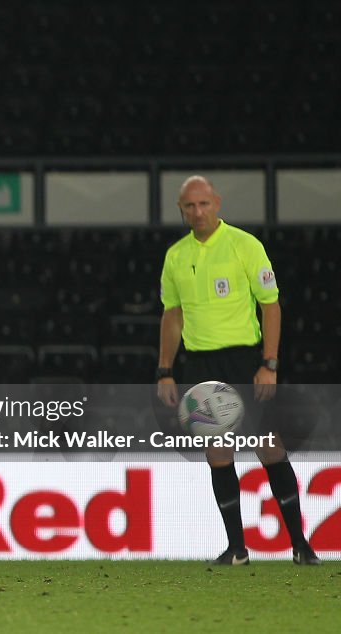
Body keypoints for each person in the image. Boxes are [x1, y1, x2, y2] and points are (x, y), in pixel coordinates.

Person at [156, 175, 319, 566]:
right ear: (181, 209)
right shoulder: (176, 256)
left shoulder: (245, 245)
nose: (197, 212)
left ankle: (300, 544)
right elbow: (172, 316)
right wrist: (165, 369)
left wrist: (269, 363)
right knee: (218, 453)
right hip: (201, 364)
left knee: (268, 447)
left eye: (204, 204)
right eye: (189, 206)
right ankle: (237, 549)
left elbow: (271, 305)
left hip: (245, 360)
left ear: (217, 202)